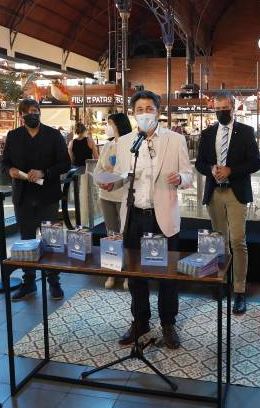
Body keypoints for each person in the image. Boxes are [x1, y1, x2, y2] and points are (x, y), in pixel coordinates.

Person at [98, 90, 193, 349]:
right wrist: (111, 183)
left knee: (167, 275)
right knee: (135, 273)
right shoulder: (127, 140)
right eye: (139, 109)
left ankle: (168, 323)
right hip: (133, 217)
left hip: (162, 217)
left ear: (158, 112)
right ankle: (140, 321)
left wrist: (180, 179)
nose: (144, 113)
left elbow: (188, 175)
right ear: (133, 112)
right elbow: (122, 175)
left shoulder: (175, 140)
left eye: (149, 108)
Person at [195, 92, 260, 315]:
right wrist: (211, 170)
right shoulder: (207, 134)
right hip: (214, 192)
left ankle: (239, 290)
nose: (221, 111)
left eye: (225, 107)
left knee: (238, 240)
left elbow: (255, 162)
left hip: (236, 192)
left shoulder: (246, 132)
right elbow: (200, 163)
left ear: (233, 107)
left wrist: (231, 170)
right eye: (217, 108)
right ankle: (220, 282)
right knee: (218, 241)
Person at [2, 99, 71, 301]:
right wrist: (10, 170)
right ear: (21, 116)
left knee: (51, 239)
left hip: (47, 196)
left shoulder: (53, 135)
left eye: (36, 111)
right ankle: (29, 282)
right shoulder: (14, 136)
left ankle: (54, 281)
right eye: (29, 112)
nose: (34, 115)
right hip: (23, 196)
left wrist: (45, 172)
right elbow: (5, 162)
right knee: (26, 240)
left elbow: (65, 163)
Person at [95, 113, 132, 290]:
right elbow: (99, 168)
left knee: (126, 233)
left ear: (118, 124)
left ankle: (128, 273)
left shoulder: (131, 144)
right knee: (111, 233)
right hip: (106, 196)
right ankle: (112, 269)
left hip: (124, 195)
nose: (107, 126)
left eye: (109, 123)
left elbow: (130, 170)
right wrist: (100, 180)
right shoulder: (108, 145)